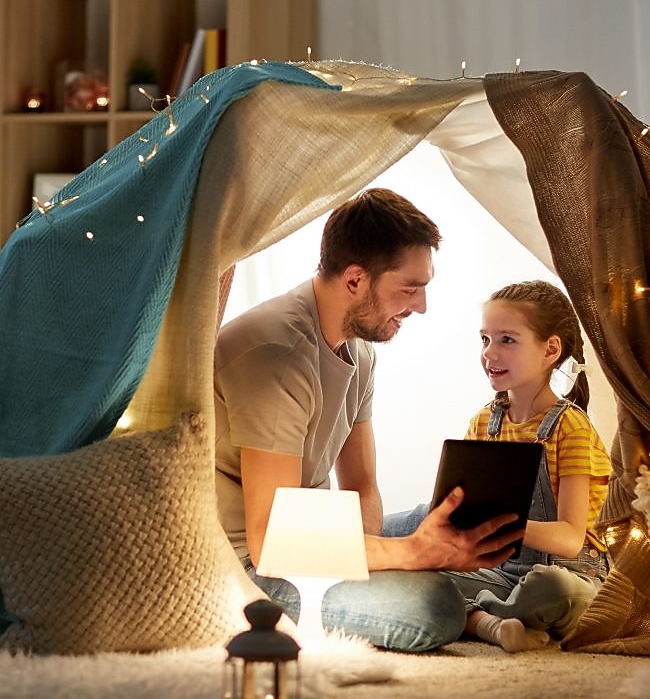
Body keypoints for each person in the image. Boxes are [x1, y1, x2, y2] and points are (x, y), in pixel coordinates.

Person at [213, 188, 521, 652]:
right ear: (355, 279)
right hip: (257, 566)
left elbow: (361, 485)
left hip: (316, 534)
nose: (420, 306)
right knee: (431, 607)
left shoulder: (357, 350)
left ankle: (497, 591)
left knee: (447, 519)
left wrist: (389, 553)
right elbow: (270, 542)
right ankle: (476, 607)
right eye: (410, 288)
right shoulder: (276, 354)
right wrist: (411, 556)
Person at [449, 280, 613, 653]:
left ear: (550, 350)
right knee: (422, 578)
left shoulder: (571, 427)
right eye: (485, 339)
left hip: (570, 569)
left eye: (507, 339)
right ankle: (500, 626)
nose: (490, 352)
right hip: (501, 570)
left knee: (550, 588)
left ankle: (487, 616)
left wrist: (502, 521)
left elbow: (570, 539)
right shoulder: (481, 425)